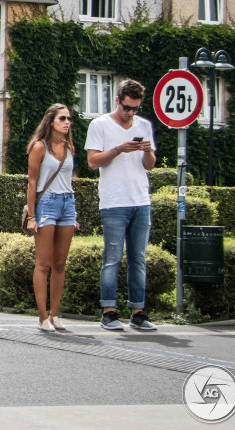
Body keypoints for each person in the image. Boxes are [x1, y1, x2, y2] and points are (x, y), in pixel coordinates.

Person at [85, 80, 158, 331]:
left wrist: (147, 151)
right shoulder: (100, 125)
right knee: (112, 258)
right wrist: (119, 149)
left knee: (138, 258)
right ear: (118, 101)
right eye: (127, 107)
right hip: (114, 202)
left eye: (135, 108)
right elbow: (93, 162)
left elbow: (149, 165)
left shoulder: (144, 126)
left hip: (141, 200)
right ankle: (109, 312)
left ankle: (138, 313)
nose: (131, 113)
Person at [25, 104, 79, 332]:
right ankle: (43, 316)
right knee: (44, 264)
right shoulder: (39, 147)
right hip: (46, 204)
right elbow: (32, 183)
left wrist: (74, 215)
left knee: (60, 264)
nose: (67, 122)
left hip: (68, 203)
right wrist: (31, 215)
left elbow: (68, 180)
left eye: (69, 119)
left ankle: (56, 315)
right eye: (62, 118)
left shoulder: (69, 147)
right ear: (51, 121)